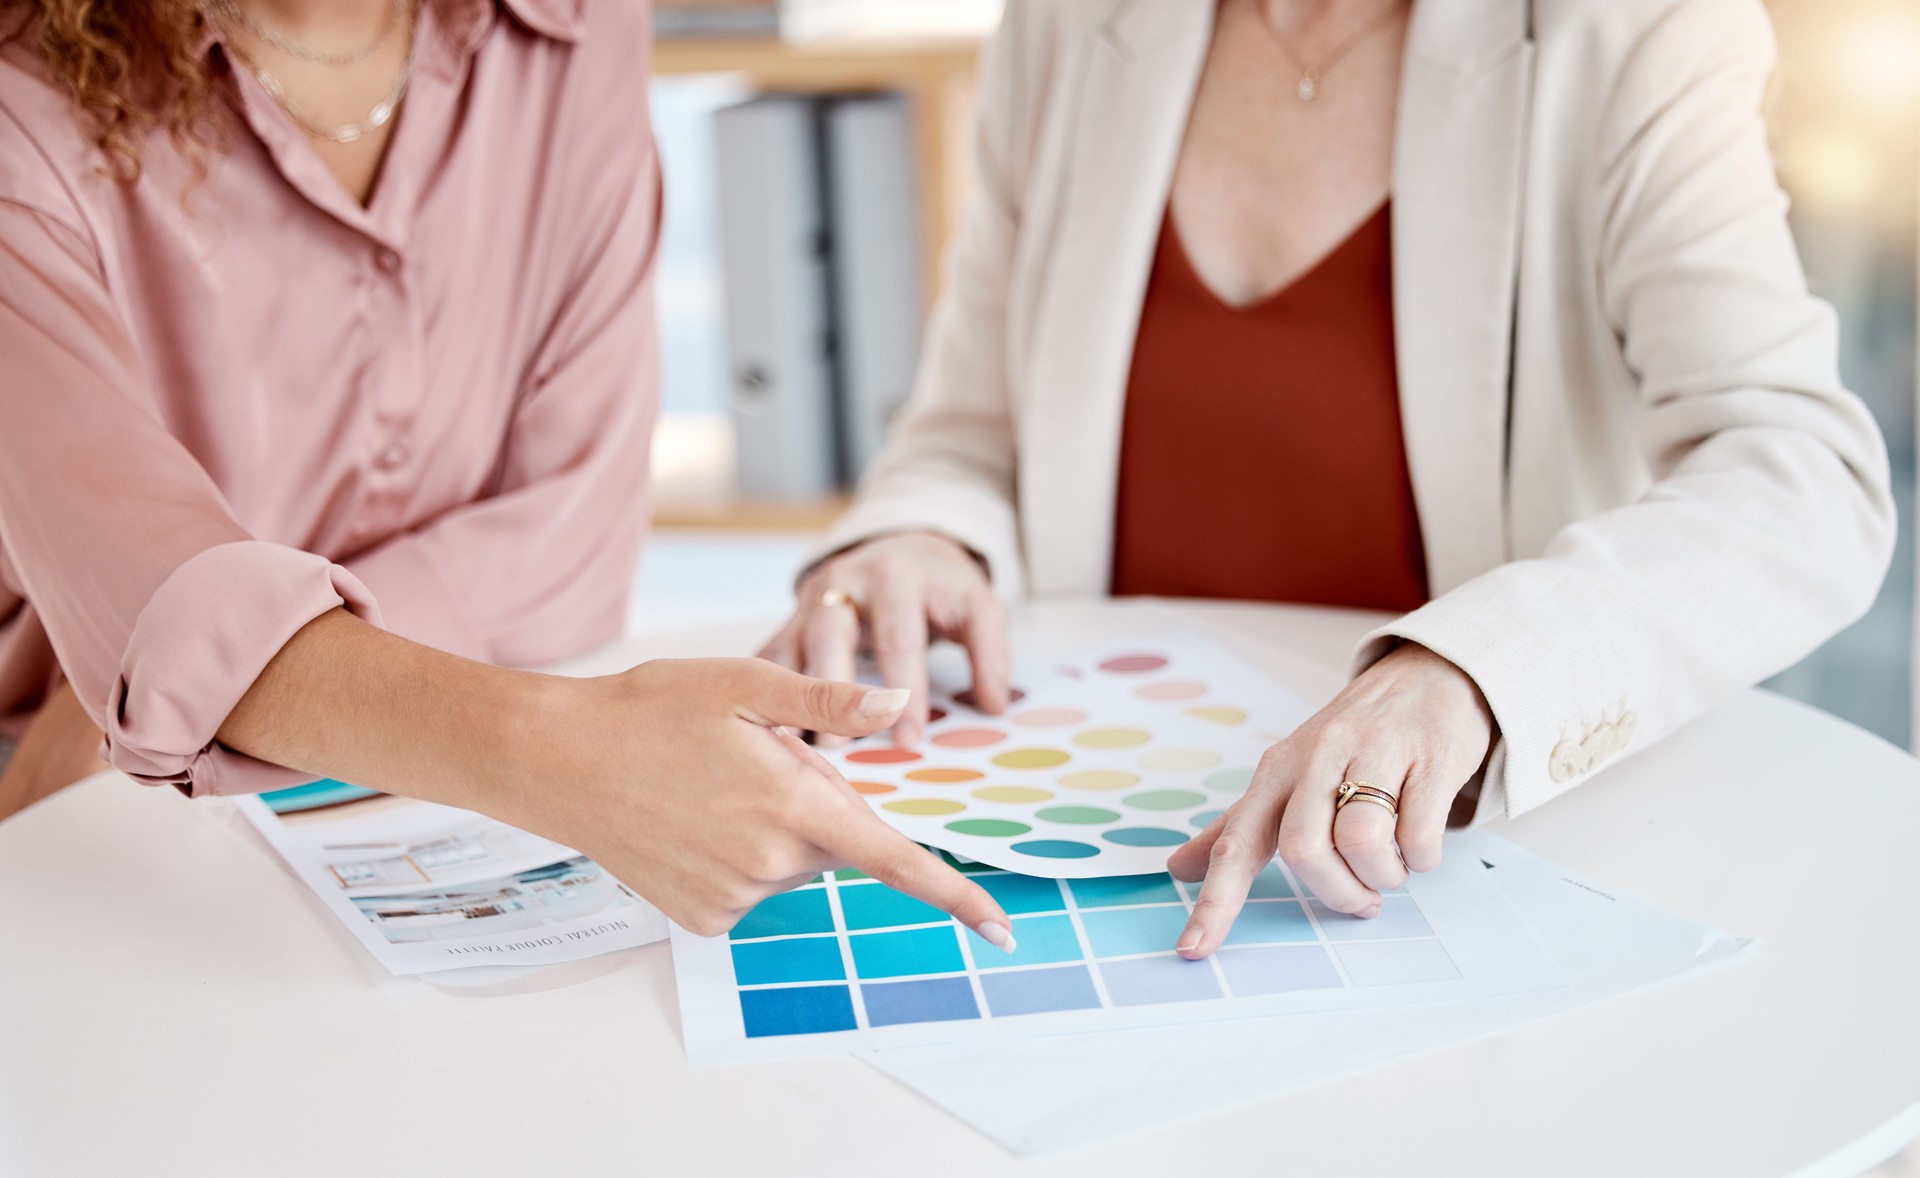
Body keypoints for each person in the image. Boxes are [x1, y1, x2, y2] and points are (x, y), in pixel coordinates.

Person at [763, 0, 1896, 957]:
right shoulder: (1067, 23)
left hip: (1428, 881)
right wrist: (920, 536)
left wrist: (1476, 667)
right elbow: (966, 435)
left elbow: (1801, 471)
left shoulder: (1635, 28)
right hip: (1090, 844)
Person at [0, 0, 1014, 946]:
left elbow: (572, 536)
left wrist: (226, 672)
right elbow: (150, 610)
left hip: (301, 775)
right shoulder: (23, 101)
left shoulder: (575, 28)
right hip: (83, 818)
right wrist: (572, 751)